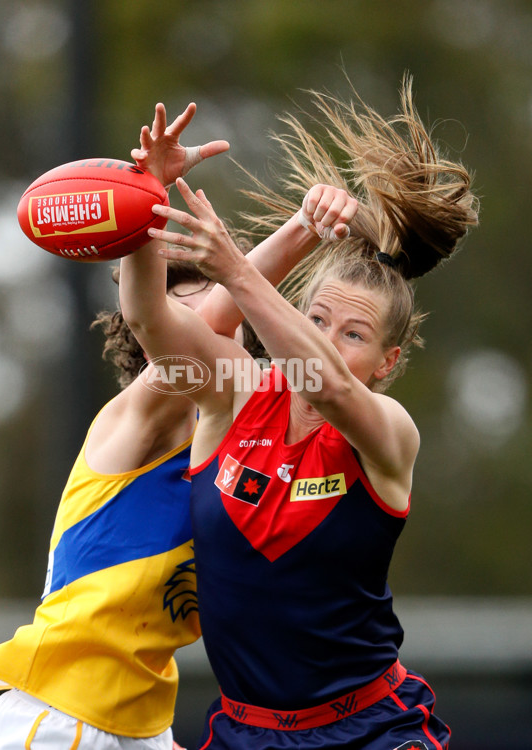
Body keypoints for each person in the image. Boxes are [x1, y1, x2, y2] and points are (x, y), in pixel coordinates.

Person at [119, 75, 478, 750]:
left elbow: (333, 390)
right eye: (317, 319)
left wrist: (238, 273)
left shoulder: (387, 432)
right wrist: (146, 195)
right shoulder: (236, 398)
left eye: (353, 334)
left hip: (372, 731)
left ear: (387, 363)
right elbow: (148, 321)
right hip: (244, 734)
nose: (329, 343)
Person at [0, 102, 331, 750]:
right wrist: (148, 198)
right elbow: (192, 319)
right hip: (59, 723)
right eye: (186, 299)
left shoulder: (234, 439)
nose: (216, 316)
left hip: (142, 729)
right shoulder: (146, 412)